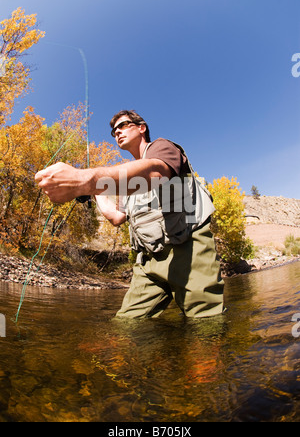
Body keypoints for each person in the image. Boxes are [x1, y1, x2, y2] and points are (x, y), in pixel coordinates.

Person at [35, 110, 224, 319]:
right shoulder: (126, 183)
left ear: (141, 128)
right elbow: (116, 217)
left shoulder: (162, 147)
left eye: (123, 125)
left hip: (189, 250)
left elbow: (155, 173)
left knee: (206, 327)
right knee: (126, 327)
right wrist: (91, 191)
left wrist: (84, 179)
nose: (117, 132)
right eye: (114, 131)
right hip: (148, 263)